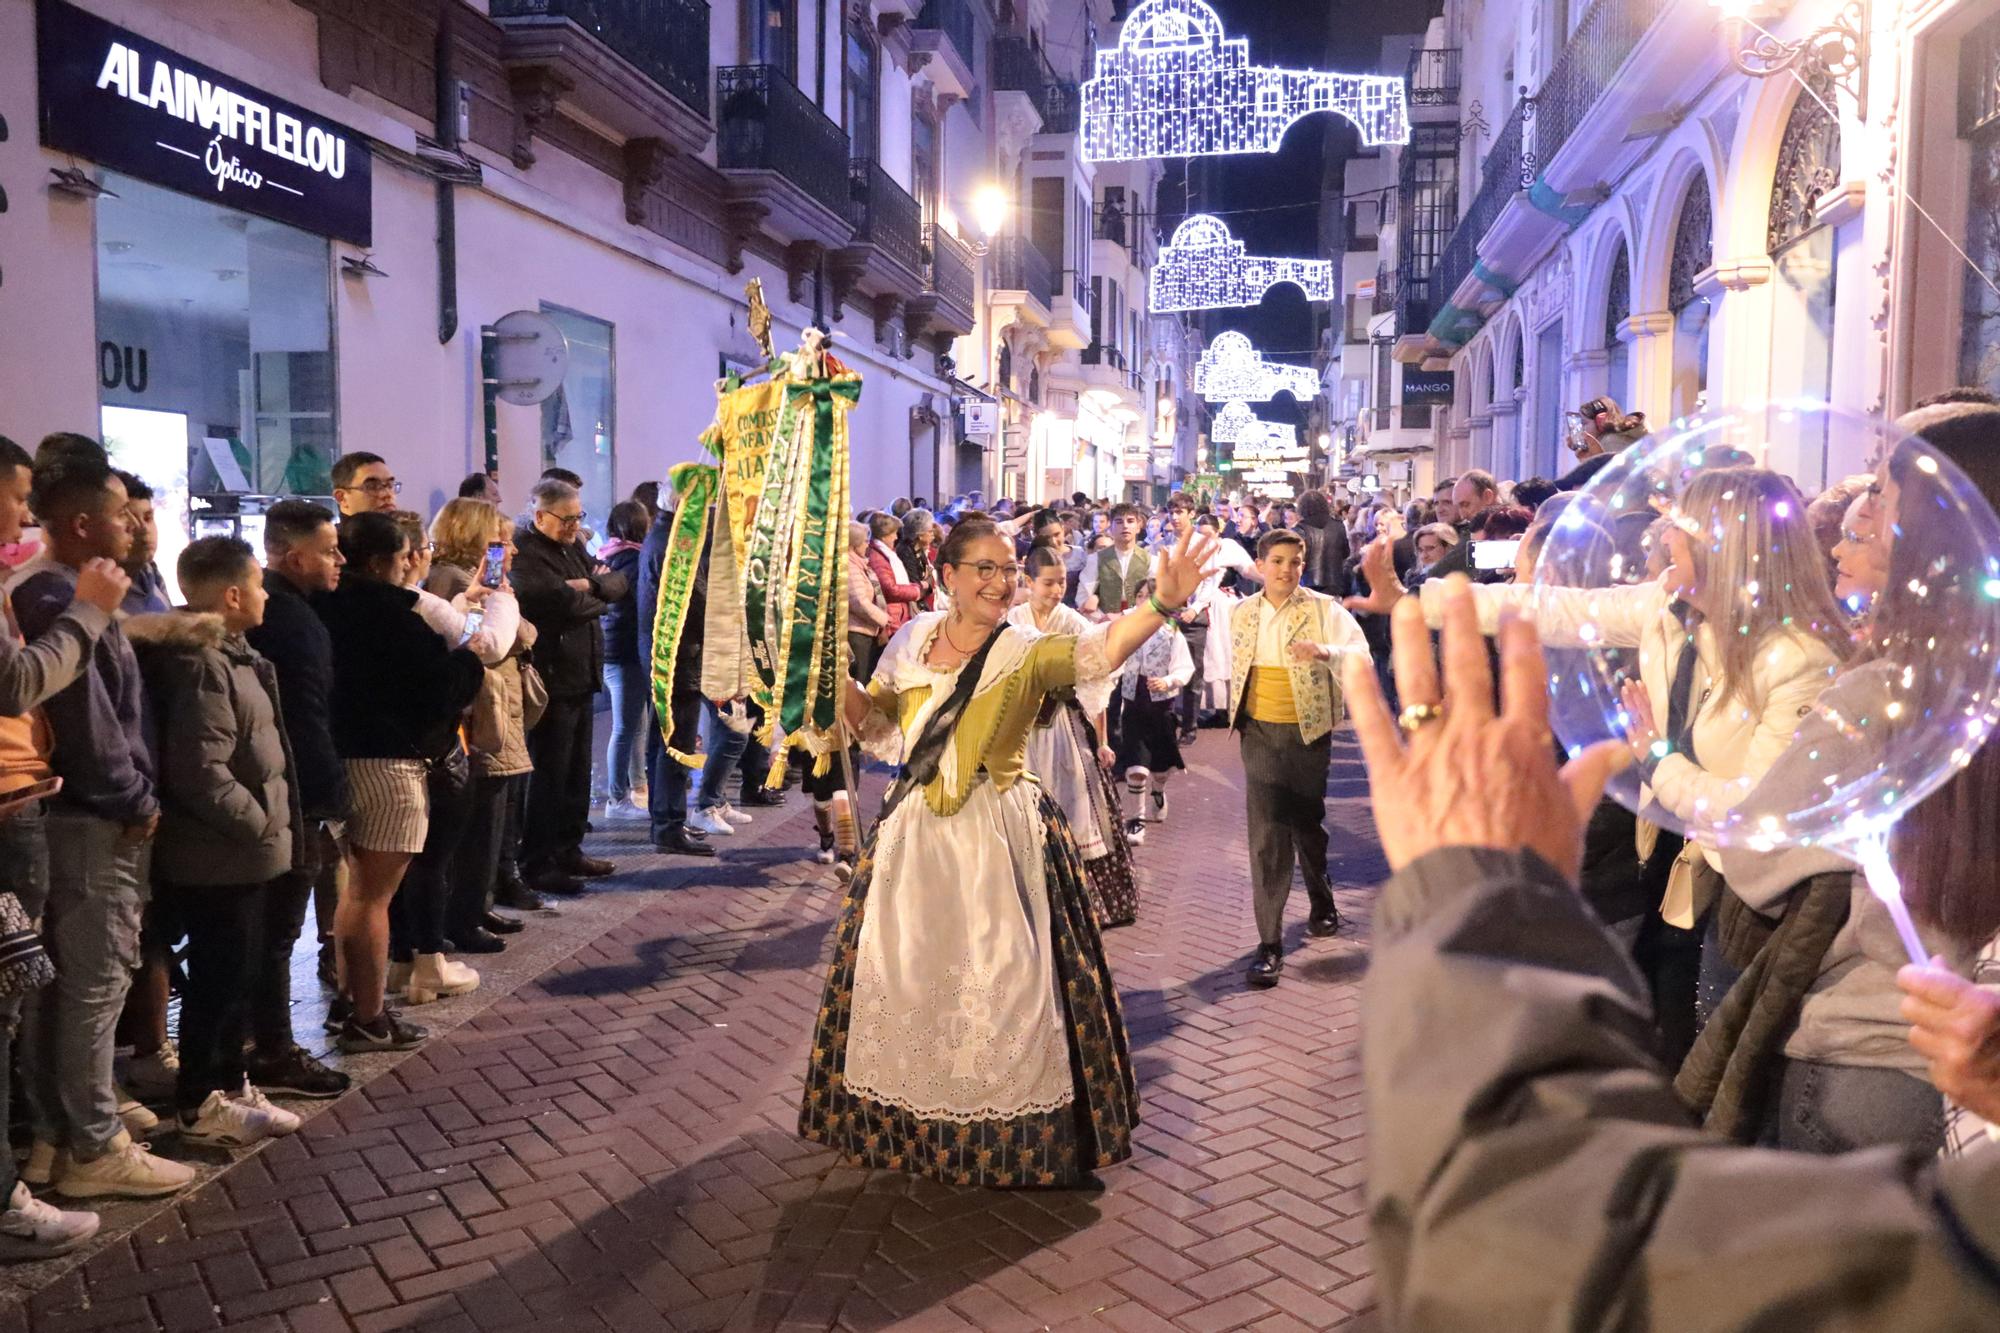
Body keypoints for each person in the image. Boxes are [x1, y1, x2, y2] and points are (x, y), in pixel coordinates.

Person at [1349, 581, 2000, 1329]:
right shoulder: (1698, 620)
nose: (1851, 553)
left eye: (1874, 520)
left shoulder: (1843, 680)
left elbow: (1532, 1253)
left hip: (1852, 1037)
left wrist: (1476, 893)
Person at [1352, 467, 1852, 1054]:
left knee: (1714, 1045)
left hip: (1748, 890)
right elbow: (1556, 608)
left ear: (1724, 545)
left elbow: (1751, 809)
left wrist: (1657, 758)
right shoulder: (1672, 607)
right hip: (1672, 854)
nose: (1663, 537)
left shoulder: (1799, 658)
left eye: (1679, 526)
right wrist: (1419, 600)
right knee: (1663, 1025)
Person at [799, 520, 1215, 1187]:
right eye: (984, 568)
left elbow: (1097, 654)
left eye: (1008, 567)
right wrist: (828, 669)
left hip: (1002, 833)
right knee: (909, 981)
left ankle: (1013, 1138)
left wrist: (1161, 604)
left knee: (1010, 983)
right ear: (948, 575)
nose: (1000, 580)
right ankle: (917, 1130)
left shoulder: (1024, 648)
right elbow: (872, 724)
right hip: (916, 841)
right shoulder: (910, 639)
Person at [7, 454, 194, 1199]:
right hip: (90, 820)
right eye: (123, 512)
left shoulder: (58, 589)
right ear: (82, 522)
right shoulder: (59, 593)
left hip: (72, 815)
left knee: (62, 988)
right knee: (93, 984)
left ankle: (57, 1135)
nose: (134, 524)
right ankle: (94, 1144)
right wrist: (135, 798)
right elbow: (90, 726)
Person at [127, 538, 304, 1148]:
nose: (264, 595)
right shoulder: (202, 662)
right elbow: (202, 769)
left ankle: (230, 1084)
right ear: (232, 595)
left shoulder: (233, 652)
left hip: (236, 850)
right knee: (218, 978)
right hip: (218, 853)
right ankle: (201, 1102)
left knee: (237, 972)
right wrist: (257, 822)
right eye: (257, 584)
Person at [0, 437, 125, 1252]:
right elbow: (19, 685)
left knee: (23, 997)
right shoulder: (53, 589)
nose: (21, 515)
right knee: (25, 997)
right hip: (15, 807)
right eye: (13, 496)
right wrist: (90, 610)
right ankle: (30, 1176)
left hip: (21, 799)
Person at [319, 512, 484, 1052]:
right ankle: (369, 1017)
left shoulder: (325, 606)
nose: (412, 564)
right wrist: (469, 663)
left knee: (357, 887)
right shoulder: (391, 613)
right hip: (389, 762)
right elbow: (436, 689)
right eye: (404, 556)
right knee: (373, 895)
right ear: (381, 562)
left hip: (345, 755)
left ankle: (352, 1001)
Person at [1226, 530, 1372, 988]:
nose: (1287, 570)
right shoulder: (1241, 613)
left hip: (1309, 733)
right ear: (1260, 563)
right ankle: (1269, 943)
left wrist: (1326, 651)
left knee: (1306, 824)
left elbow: (1362, 658)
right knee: (1268, 831)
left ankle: (1321, 898)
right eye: (1277, 561)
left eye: (1295, 561)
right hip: (1258, 732)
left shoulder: (1324, 609)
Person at [243, 501, 353, 1097]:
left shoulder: (290, 610)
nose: (339, 559)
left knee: (271, 926)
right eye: (329, 549)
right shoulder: (290, 619)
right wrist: (327, 791)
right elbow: (305, 716)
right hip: (296, 794)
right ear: (291, 555)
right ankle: (274, 1049)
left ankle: (259, 1040)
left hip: (282, 789)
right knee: (279, 926)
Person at [1009, 547, 1137, 926]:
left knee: (1075, 805)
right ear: (1028, 582)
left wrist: (1102, 741)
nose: (1056, 590)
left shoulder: (1074, 623)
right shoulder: (1012, 621)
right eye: (1048, 583)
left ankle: (1084, 902)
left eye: (1062, 581)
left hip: (1063, 727)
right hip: (1020, 731)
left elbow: (1097, 680)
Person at [512, 478, 627, 894]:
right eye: (567, 519)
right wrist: (590, 592)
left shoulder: (573, 545)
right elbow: (554, 601)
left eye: (578, 517)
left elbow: (617, 583)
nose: (574, 526)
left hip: (582, 673)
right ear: (540, 515)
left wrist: (591, 587)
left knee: (577, 773)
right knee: (550, 774)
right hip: (553, 676)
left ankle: (569, 847)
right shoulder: (526, 553)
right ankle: (538, 861)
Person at [636, 490, 714, 860]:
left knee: (663, 741)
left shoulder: (665, 533)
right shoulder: (675, 542)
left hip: (672, 653)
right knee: (675, 743)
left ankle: (665, 819)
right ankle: (668, 824)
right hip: (679, 655)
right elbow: (695, 600)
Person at [1110, 579, 1194, 847]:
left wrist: (1168, 682)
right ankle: (1136, 820)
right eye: (1140, 596)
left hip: (1161, 710)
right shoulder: (1126, 629)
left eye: (1151, 596)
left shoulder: (1171, 632)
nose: (1145, 601)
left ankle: (1159, 792)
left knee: (1160, 770)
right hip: (1133, 706)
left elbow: (1185, 668)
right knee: (1136, 769)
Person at [597, 500, 651, 821]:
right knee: (625, 728)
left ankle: (636, 789)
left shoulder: (607, 555)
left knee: (636, 725)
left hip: (613, 649)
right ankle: (617, 799)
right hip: (626, 651)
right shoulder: (635, 559)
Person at [1555, 395, 1650, 492]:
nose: (1581, 429)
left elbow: (1608, 482)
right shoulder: (1617, 437)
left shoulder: (1610, 441)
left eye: (1584, 423)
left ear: (1600, 421)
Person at [1078, 503, 1151, 620]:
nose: (1125, 526)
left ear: (1138, 527)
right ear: (1110, 528)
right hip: (1103, 622)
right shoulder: (1096, 559)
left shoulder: (1150, 559)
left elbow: (1157, 597)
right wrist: (1101, 618)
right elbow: (1083, 596)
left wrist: (1124, 616)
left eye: (1130, 521)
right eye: (1119, 522)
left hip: (1140, 621)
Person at [112, 472, 170, 614]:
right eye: (127, 519)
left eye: (148, 517)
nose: (143, 529)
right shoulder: (99, 590)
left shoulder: (149, 572)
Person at [865, 512, 922, 638]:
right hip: (891, 619)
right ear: (884, 536)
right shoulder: (877, 557)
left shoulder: (887, 554)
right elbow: (890, 589)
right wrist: (915, 591)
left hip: (898, 616)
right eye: (893, 533)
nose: (896, 537)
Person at [896, 508, 941, 613]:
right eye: (929, 531)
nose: (933, 535)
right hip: (910, 608)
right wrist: (925, 584)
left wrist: (926, 584)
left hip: (923, 604)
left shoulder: (919, 550)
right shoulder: (905, 552)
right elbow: (914, 585)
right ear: (919, 535)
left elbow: (928, 582)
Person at [330, 452, 400, 517]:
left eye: (390, 485)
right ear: (341, 497)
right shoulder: (329, 530)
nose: (387, 495)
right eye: (372, 487)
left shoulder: (405, 529)